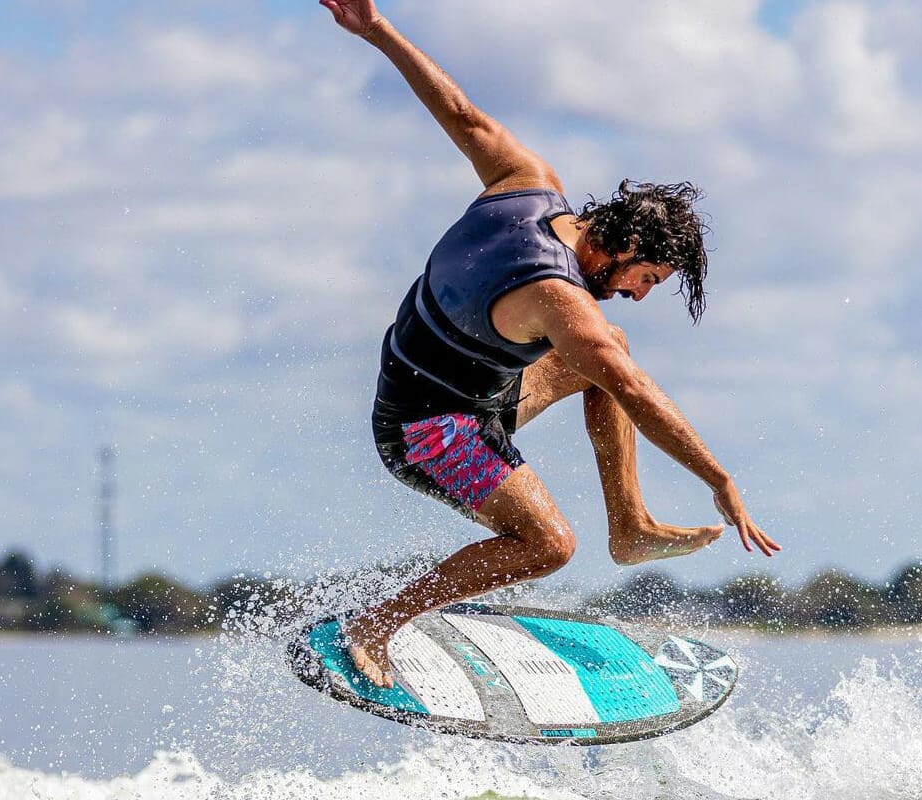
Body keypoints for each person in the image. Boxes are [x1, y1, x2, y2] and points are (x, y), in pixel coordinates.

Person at [320, 0, 780, 689]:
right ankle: (378, 623)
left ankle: (630, 527)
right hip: (429, 431)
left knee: (611, 349)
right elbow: (634, 392)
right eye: (645, 277)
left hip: (476, 396)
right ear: (625, 245)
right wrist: (719, 479)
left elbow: (463, 114)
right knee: (547, 543)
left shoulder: (530, 184)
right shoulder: (561, 298)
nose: (640, 291)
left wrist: (377, 29)